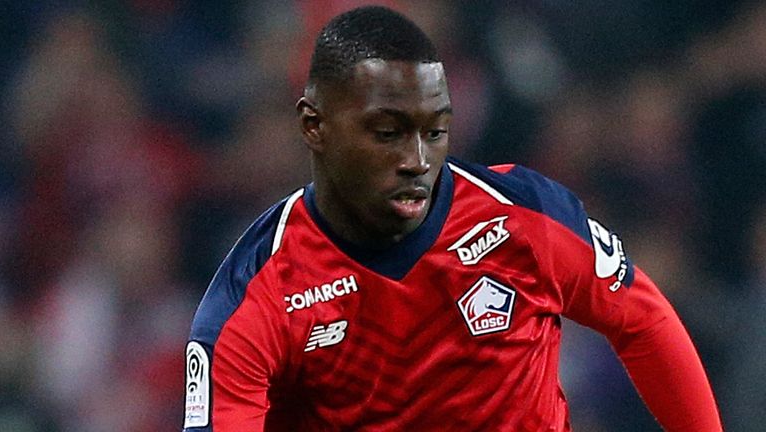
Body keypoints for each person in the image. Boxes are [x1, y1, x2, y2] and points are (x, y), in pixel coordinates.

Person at [183, 6, 722, 431]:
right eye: (387, 132)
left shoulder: (524, 217)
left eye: (434, 130)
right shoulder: (252, 297)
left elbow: (644, 322)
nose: (417, 159)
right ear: (315, 126)